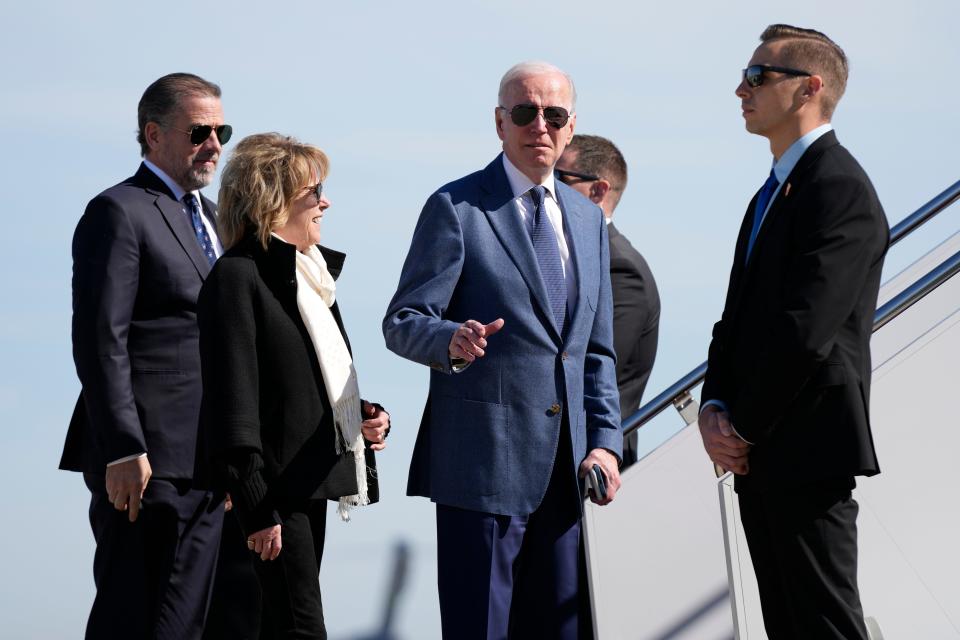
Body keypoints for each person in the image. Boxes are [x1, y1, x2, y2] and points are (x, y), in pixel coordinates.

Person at [383, 61, 622, 639]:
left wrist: (607, 444)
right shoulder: (457, 207)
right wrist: (453, 342)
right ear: (500, 123)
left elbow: (596, 351)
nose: (539, 125)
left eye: (554, 115)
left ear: (570, 128)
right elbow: (402, 321)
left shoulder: (588, 219)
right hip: (481, 469)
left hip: (566, 474)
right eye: (524, 112)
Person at [697, 24, 889, 639]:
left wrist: (742, 428)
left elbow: (807, 331)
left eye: (757, 77)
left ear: (809, 87)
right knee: (787, 626)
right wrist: (713, 407)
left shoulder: (839, 188)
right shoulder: (768, 196)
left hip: (806, 448)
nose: (740, 90)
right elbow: (736, 321)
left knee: (826, 626)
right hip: (762, 452)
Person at [196, 132, 391, 639]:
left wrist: (362, 417)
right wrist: (259, 509)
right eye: (314, 190)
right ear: (272, 200)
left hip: (307, 485)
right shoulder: (237, 276)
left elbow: (302, 384)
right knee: (300, 630)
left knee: (287, 629)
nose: (325, 201)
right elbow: (232, 401)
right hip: (270, 499)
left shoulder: (307, 275)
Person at [60, 72, 230, 639]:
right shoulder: (119, 211)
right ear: (154, 135)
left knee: (183, 627)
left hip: (206, 462)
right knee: (134, 619)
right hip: (144, 462)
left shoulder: (213, 221)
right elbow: (99, 340)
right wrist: (124, 446)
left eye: (221, 130)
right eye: (199, 131)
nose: (214, 145)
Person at [556, 134, 660, 465]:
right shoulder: (575, 258)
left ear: (599, 191)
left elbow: (595, 369)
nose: (545, 189)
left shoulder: (620, 267)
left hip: (591, 465)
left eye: (559, 178)